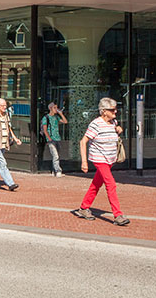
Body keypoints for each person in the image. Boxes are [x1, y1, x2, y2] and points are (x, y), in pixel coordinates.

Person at [72, 97, 129, 226]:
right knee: (111, 184)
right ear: (104, 111)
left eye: (115, 109)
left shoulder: (113, 122)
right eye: (112, 110)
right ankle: (118, 215)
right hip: (99, 159)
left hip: (110, 160)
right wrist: (84, 162)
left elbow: (112, 133)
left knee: (96, 184)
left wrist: (118, 129)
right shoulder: (95, 124)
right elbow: (83, 141)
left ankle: (84, 207)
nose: (115, 112)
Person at [41, 101, 67, 177]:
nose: (56, 109)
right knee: (55, 155)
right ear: (50, 108)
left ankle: (54, 170)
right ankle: (58, 170)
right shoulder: (46, 118)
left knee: (57, 155)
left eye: (56, 108)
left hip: (57, 138)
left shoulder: (56, 117)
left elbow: (65, 121)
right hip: (51, 139)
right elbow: (45, 129)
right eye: (54, 108)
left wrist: (61, 114)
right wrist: (49, 138)